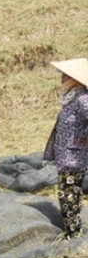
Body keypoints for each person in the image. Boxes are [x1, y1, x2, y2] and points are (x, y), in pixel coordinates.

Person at [44, 58, 88, 240]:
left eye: (66, 76)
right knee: (70, 195)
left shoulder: (82, 99)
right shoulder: (73, 98)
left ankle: (73, 235)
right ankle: (73, 230)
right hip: (67, 155)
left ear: (75, 80)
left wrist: (84, 137)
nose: (62, 78)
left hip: (74, 157)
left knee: (68, 196)